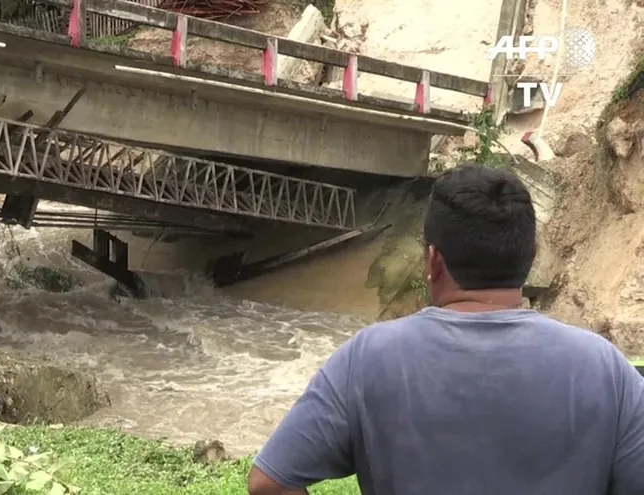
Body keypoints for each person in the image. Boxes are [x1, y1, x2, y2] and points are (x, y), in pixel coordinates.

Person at [247, 163, 644, 495]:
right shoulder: (605, 368)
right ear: (532, 255)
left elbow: (269, 483)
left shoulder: (368, 358)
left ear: (433, 260)